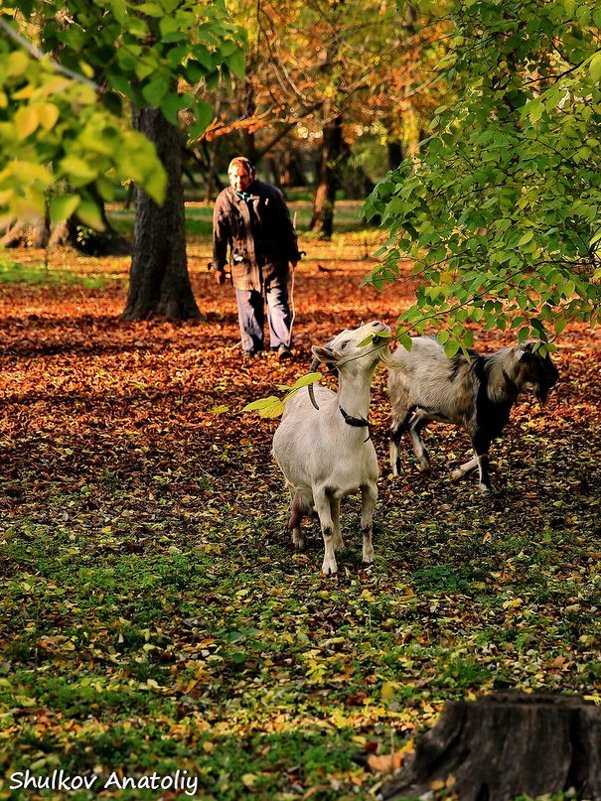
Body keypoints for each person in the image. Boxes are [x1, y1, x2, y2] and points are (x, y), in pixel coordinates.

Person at [212, 156, 302, 360]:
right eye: (234, 177)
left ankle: (282, 346)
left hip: (273, 262)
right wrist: (218, 266)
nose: (238, 181)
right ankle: (251, 348)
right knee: (248, 308)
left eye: (242, 177)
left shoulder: (270, 194)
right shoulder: (224, 200)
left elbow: (285, 228)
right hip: (242, 265)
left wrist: (292, 253)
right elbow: (219, 236)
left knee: (278, 304)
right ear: (229, 177)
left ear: (252, 175)